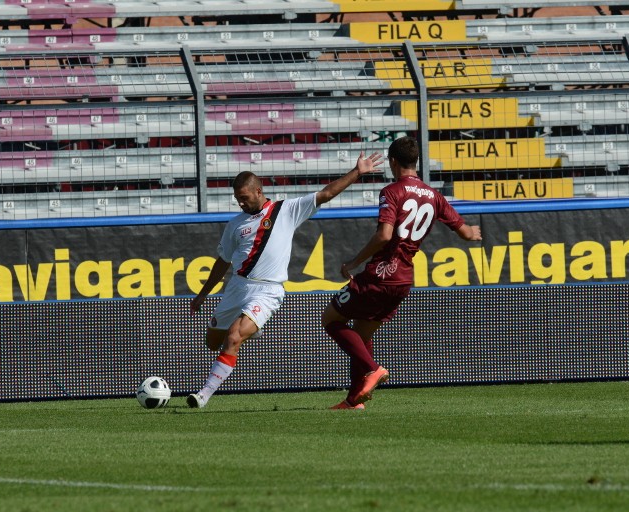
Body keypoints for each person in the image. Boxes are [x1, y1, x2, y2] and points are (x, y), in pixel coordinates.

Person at [187, 152, 384, 408]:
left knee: (234, 337)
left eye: (244, 199)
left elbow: (325, 194)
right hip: (237, 287)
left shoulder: (286, 210)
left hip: (267, 291)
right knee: (212, 342)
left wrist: (357, 172)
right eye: (237, 200)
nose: (241, 205)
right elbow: (222, 261)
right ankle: (248, 324)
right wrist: (202, 295)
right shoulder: (235, 224)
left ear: (259, 191)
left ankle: (203, 395)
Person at [322, 136, 482, 410]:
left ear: (393, 161)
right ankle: (354, 401)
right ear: (416, 162)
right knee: (361, 334)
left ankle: (373, 369)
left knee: (330, 319)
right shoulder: (434, 195)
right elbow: (466, 233)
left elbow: (384, 235)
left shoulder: (391, 191)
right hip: (403, 279)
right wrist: (473, 233)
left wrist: (354, 262)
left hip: (381, 273)